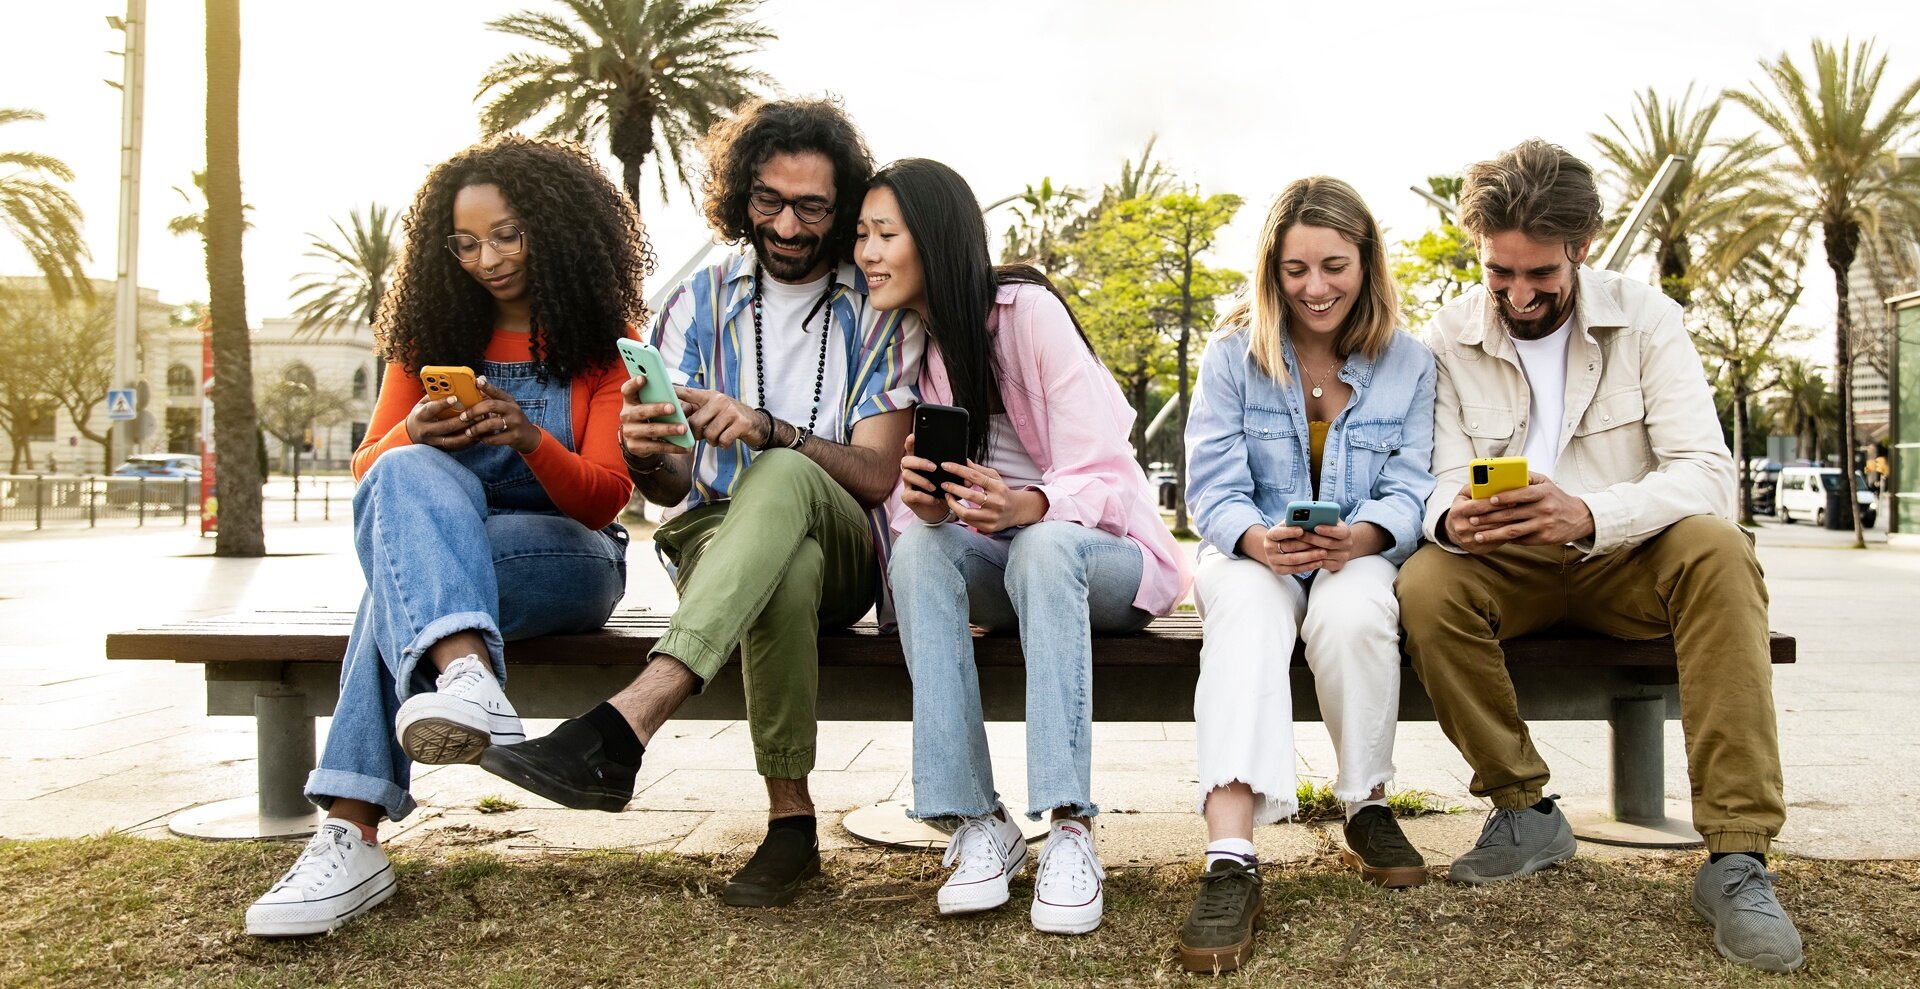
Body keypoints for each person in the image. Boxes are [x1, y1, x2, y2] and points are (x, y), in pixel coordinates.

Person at [478, 98, 923, 908]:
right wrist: (653, 453)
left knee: (780, 473)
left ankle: (626, 723)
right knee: (783, 569)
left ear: (842, 206)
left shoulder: (878, 304)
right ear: (741, 196)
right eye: (768, 202)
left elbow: (878, 475)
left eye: (813, 208)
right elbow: (673, 490)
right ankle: (792, 825)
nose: (787, 225)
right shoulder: (696, 298)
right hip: (715, 538)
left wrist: (767, 427)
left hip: (846, 543)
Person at [1397, 139, 1803, 973]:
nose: (1516, 293)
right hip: (1509, 565)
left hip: (1630, 555)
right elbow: (1430, 476)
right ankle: (1524, 809)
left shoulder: (1646, 318)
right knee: (1426, 581)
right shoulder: (1444, 335)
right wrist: (1451, 520)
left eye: (1538, 273)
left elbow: (1706, 474)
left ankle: (1736, 854)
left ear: (1582, 246)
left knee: (1721, 550)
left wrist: (1589, 512)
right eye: (1497, 272)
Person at [245, 136, 649, 936]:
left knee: (395, 593)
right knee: (402, 476)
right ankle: (461, 690)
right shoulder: (428, 334)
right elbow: (371, 474)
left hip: (570, 558)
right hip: (451, 569)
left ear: (557, 228)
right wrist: (415, 433)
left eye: (506, 234)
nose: (486, 259)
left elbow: (606, 500)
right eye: (464, 243)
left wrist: (530, 439)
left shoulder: (608, 345)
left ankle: (350, 828)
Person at [869, 159, 1189, 935]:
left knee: (1044, 545)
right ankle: (979, 821)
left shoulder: (1028, 314)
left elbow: (1108, 478)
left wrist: (1029, 503)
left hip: (1105, 565)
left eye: (884, 233)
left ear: (934, 239)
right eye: (861, 235)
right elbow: (927, 525)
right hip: (1011, 570)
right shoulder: (913, 345)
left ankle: (1070, 826)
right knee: (917, 551)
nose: (866, 253)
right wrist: (923, 506)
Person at [1177, 177, 1436, 973]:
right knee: (1251, 613)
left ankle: (1366, 803)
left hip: (1358, 552)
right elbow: (1209, 486)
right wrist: (1256, 539)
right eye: (1295, 270)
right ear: (1271, 270)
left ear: (1366, 264)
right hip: (1252, 553)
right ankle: (1230, 856)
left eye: (1334, 265)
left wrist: (1364, 535)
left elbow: (1414, 482)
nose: (1315, 287)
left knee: (1356, 614)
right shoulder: (1231, 355)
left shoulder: (1410, 362)